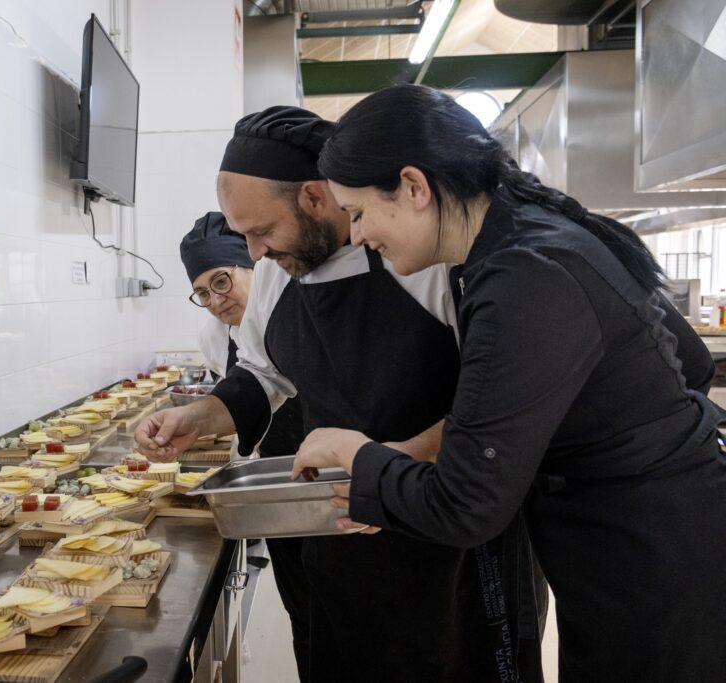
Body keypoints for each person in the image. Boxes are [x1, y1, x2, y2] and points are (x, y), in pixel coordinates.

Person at [294, 83, 726, 682]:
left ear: (414, 187)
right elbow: (691, 363)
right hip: (656, 538)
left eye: (361, 212)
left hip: (653, 564)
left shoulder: (524, 274)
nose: (360, 235)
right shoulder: (530, 234)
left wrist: (356, 455)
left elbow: (465, 506)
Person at [138, 106, 546, 682]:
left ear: (313, 197)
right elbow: (264, 373)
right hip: (342, 532)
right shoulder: (280, 273)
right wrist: (199, 417)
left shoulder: (427, 258)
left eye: (260, 231)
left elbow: (500, 406)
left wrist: (390, 464)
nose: (253, 253)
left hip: (453, 537)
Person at [179, 212, 311, 681]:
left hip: (330, 477)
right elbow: (251, 396)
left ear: (253, 265)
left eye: (222, 281)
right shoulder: (215, 337)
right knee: (306, 611)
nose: (215, 301)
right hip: (281, 484)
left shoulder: (299, 309)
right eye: (202, 293)